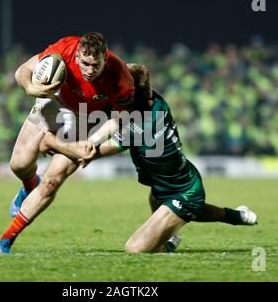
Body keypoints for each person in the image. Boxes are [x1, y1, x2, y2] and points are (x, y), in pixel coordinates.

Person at [37, 63, 258, 254]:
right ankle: (235, 216)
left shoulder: (137, 127)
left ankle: (166, 246)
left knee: (136, 248)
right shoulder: (157, 101)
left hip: (183, 192)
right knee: (183, 207)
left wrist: (53, 143)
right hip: (174, 183)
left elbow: (90, 153)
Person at [0, 32, 135, 254]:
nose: (89, 71)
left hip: (89, 119)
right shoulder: (65, 49)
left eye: (95, 65)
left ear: (105, 60)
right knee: (19, 165)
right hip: (55, 102)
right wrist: (30, 88)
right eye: (85, 63)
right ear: (77, 55)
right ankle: (29, 187)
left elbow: (119, 119)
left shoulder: (121, 78)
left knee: (52, 181)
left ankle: (4, 242)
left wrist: (93, 141)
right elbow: (23, 70)